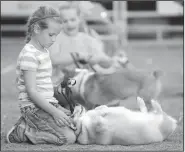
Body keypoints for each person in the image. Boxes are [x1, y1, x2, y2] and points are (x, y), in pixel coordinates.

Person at [6, 6, 76, 145]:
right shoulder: (29, 55)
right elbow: (32, 92)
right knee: (68, 138)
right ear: (37, 29)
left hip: (46, 104)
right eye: (51, 35)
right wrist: (55, 113)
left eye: (56, 35)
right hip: (34, 108)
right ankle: (23, 132)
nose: (54, 39)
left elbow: (43, 83)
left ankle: (30, 125)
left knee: (73, 122)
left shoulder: (43, 51)